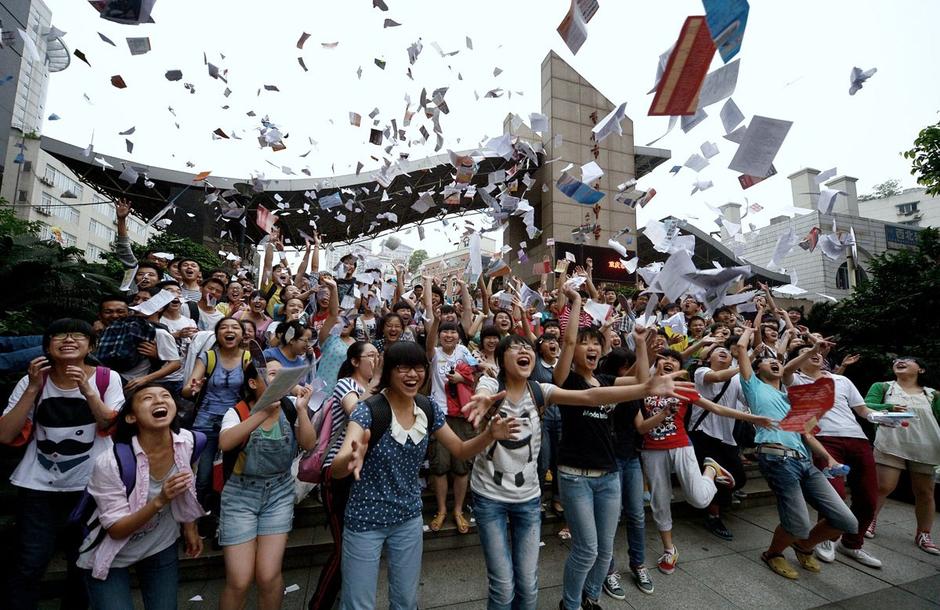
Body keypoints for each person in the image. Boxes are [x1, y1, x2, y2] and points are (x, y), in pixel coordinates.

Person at [462, 334, 690, 610]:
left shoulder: (540, 390)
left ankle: (586, 598)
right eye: (514, 347)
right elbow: (484, 390)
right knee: (502, 585)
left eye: (526, 347)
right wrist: (484, 399)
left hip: (529, 498)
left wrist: (645, 389)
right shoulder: (491, 383)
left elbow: (590, 396)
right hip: (490, 498)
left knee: (529, 583)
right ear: (500, 358)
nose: (524, 350)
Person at [330, 341, 519, 610]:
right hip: (365, 521)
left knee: (406, 602)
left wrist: (489, 435)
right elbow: (336, 469)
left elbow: (461, 450)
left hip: (408, 519)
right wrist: (351, 457)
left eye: (418, 367)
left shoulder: (428, 408)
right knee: (358, 604)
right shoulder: (369, 410)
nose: (412, 375)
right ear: (389, 372)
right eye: (402, 368)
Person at [0, 319, 124, 610]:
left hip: (91, 486)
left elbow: (108, 421)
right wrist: (32, 389)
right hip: (37, 487)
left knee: (82, 564)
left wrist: (88, 389)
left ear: (91, 346)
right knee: (29, 562)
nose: (68, 340)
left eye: (78, 335)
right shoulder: (33, 381)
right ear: (46, 347)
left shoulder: (108, 378)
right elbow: (5, 433)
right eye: (58, 335)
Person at [734, 327, 858, 580]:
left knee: (847, 522)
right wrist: (748, 331)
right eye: (768, 362)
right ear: (757, 371)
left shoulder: (795, 398)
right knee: (798, 523)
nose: (774, 364)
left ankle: (804, 546)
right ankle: (773, 553)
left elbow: (808, 434)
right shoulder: (754, 387)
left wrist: (830, 458)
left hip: (806, 463)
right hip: (776, 459)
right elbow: (740, 351)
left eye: (776, 361)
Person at [639, 347, 771, 576]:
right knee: (659, 502)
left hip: (681, 445)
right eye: (664, 359)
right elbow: (640, 425)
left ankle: (711, 470)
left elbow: (717, 408)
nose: (669, 362)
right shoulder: (642, 388)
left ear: (681, 370)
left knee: (700, 500)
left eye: (675, 360)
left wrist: (754, 418)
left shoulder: (685, 388)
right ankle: (669, 549)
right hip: (651, 449)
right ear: (656, 364)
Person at [76, 385, 204, 609]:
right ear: (131, 417)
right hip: (111, 554)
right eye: (147, 398)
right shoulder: (110, 463)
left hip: (160, 544)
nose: (159, 401)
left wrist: (190, 527)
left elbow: (188, 484)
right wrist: (160, 500)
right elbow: (116, 529)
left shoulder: (189, 442)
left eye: (165, 396)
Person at [218, 359, 316, 610]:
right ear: (253, 383)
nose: (281, 378)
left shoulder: (292, 407)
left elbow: (308, 444)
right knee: (239, 580)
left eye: (284, 375)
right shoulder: (237, 411)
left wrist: (303, 410)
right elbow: (226, 442)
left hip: (279, 492)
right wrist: (263, 411)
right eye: (273, 374)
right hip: (240, 495)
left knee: (268, 576)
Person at [786, 345, 886, 568]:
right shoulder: (795, 380)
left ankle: (852, 544)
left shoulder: (842, 381)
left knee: (869, 498)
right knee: (835, 494)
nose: (816, 354)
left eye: (819, 353)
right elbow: (785, 372)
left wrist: (882, 417)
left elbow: (862, 410)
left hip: (858, 440)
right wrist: (809, 347)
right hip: (824, 440)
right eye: (808, 352)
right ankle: (825, 538)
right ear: (799, 359)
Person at [307, 341, 378, 610]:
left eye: (377, 355)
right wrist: (378, 383)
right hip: (338, 472)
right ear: (355, 361)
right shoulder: (346, 385)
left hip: (362, 472)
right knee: (343, 547)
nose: (376, 360)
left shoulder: (374, 389)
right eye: (370, 355)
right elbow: (357, 413)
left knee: (354, 547)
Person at [866, 356, 940, 555]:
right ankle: (868, 521)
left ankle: (923, 533)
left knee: (925, 492)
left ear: (921, 370)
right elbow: (866, 406)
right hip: (890, 443)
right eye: (897, 360)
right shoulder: (882, 387)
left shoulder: (932, 394)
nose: (900, 361)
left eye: (908, 360)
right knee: (883, 486)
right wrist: (888, 407)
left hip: (927, 447)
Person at [181, 317, 249, 506]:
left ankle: (225, 513)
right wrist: (193, 388)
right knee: (203, 475)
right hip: (206, 422)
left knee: (231, 472)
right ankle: (200, 513)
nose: (230, 330)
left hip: (236, 422)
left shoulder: (248, 358)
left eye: (235, 327)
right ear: (217, 334)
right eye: (224, 327)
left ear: (242, 334)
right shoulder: (208, 357)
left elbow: (259, 386)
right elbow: (187, 389)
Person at [690, 344, 749, 541]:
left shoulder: (736, 379)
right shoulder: (701, 371)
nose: (722, 351)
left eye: (726, 350)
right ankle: (712, 515)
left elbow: (748, 400)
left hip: (727, 436)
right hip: (703, 433)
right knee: (715, 475)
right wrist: (744, 363)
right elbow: (716, 378)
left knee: (738, 477)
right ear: (709, 357)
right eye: (717, 350)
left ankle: (710, 504)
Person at [426, 311, 477, 534]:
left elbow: (476, 373)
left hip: (463, 415)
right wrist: (436, 321)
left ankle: (457, 510)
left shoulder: (464, 351)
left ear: (458, 336)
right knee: (439, 466)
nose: (448, 335)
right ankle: (441, 510)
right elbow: (428, 346)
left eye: (452, 331)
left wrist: (462, 378)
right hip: (440, 414)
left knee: (461, 466)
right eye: (444, 332)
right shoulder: (434, 353)